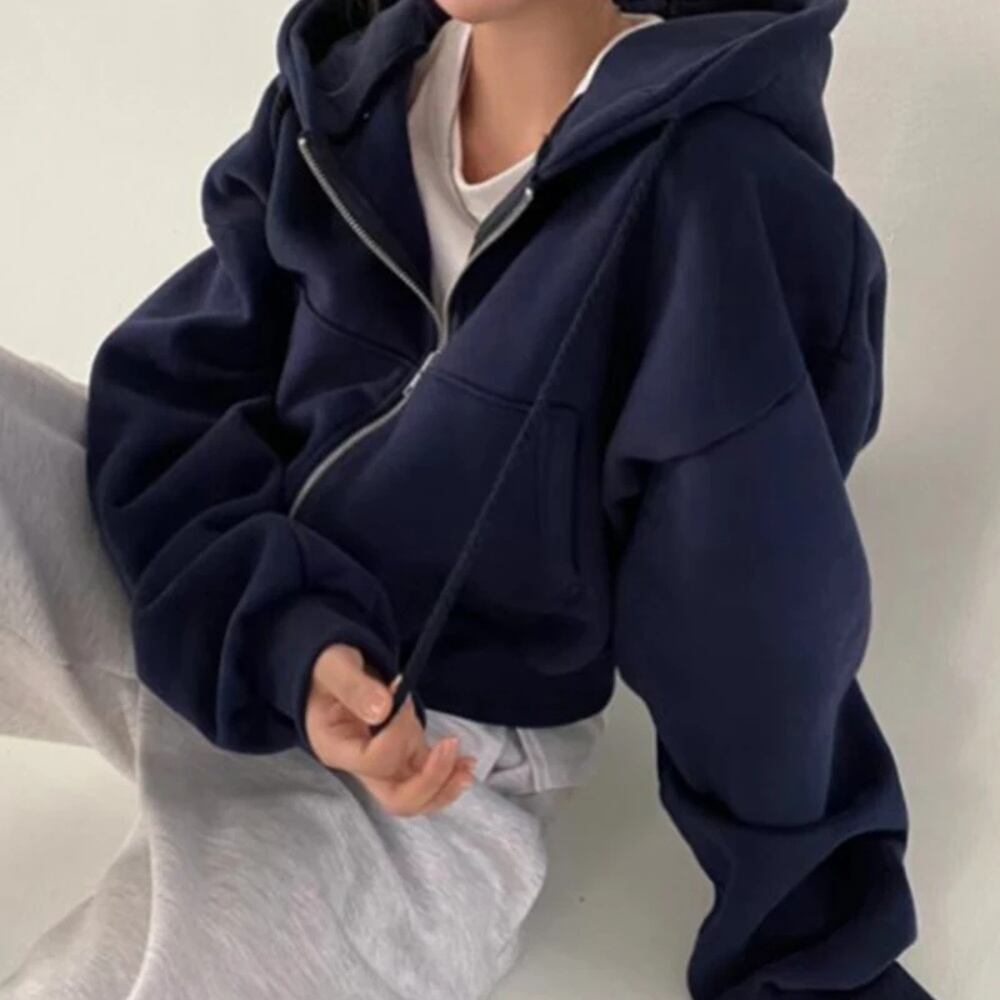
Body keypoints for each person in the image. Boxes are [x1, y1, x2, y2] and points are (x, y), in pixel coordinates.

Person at [0, 0, 935, 998]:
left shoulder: (711, 195)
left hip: (431, 758)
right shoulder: (348, 98)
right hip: (214, 598)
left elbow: (753, 617)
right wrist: (282, 632)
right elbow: (183, 394)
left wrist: (813, 955)